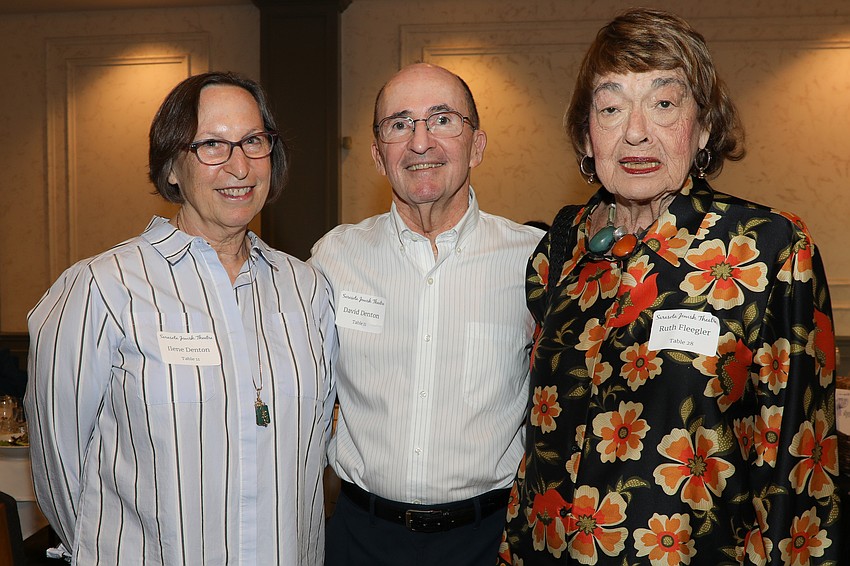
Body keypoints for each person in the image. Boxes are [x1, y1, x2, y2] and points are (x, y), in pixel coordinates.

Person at [499, 9, 842, 565]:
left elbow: (797, 472)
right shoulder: (561, 248)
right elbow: (537, 449)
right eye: (610, 107)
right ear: (587, 136)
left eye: (663, 103)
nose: (635, 131)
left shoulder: (768, 249)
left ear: (703, 127)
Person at [25, 72, 337, 565]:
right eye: (213, 144)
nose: (240, 166)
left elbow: (313, 449)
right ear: (172, 167)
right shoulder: (101, 290)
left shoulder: (307, 289)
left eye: (254, 141)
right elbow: (60, 466)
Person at [310, 63, 544, 565]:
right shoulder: (333, 259)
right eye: (399, 124)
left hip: (489, 541)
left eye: (442, 120)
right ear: (378, 155)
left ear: (477, 145)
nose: (420, 142)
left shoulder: (535, 262)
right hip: (359, 539)